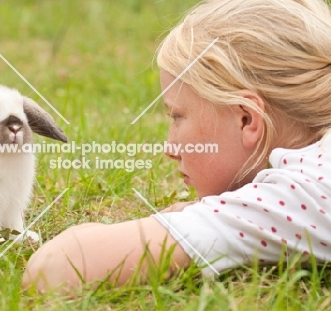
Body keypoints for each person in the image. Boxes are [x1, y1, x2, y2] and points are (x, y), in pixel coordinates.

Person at [23, 0, 331, 292]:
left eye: (177, 116)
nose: (169, 147)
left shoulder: (300, 195)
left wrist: (189, 216)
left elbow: (55, 268)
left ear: (247, 120)